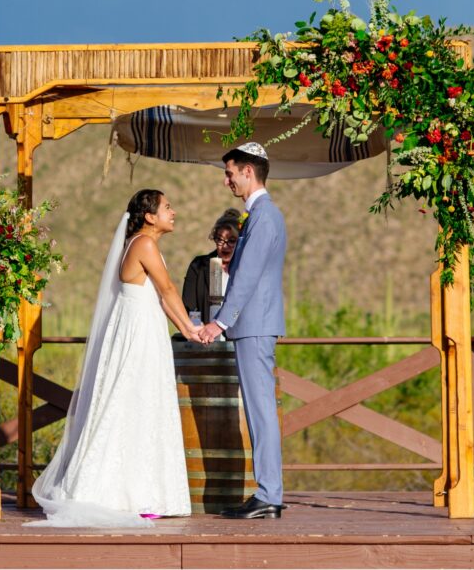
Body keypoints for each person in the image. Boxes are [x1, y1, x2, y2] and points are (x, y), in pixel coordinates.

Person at [27, 189, 199, 527]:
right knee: (131, 403)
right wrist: (192, 329)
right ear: (149, 216)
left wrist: (188, 329)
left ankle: (141, 493)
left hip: (145, 330)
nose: (173, 212)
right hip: (137, 336)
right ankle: (118, 493)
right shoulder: (144, 244)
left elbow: (165, 300)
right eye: (167, 207)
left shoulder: (143, 243)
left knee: (141, 406)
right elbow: (168, 291)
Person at [197, 142, 287, 520]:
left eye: (230, 173)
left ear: (248, 171)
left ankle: (268, 493)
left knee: (260, 409)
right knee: (257, 408)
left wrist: (219, 321)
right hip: (252, 324)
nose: (226, 181)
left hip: (253, 325)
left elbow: (247, 275)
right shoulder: (260, 215)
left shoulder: (264, 217)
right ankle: (267, 490)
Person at [182, 208, 242, 326]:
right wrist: (197, 326)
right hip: (206, 337)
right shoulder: (198, 266)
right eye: (220, 239)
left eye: (231, 240)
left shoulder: (247, 268)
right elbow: (190, 305)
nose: (225, 246)